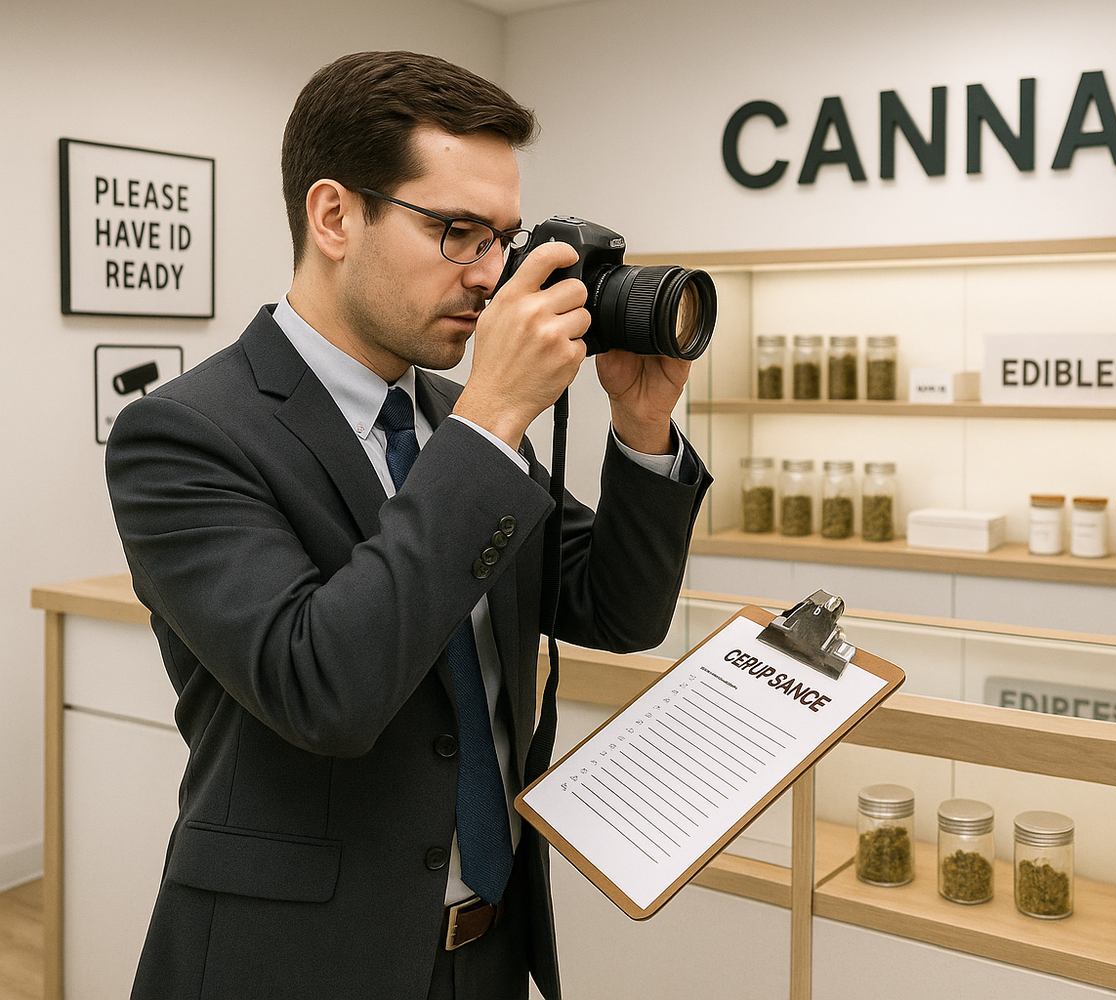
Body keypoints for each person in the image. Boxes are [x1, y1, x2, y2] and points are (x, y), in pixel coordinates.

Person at [104, 50, 709, 1000]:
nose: (491, 276)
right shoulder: (184, 433)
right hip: (296, 963)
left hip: (490, 951)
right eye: (458, 233)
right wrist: (491, 418)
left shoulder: (453, 419)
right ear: (335, 216)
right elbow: (323, 687)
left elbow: (617, 609)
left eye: (504, 239)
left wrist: (641, 426)